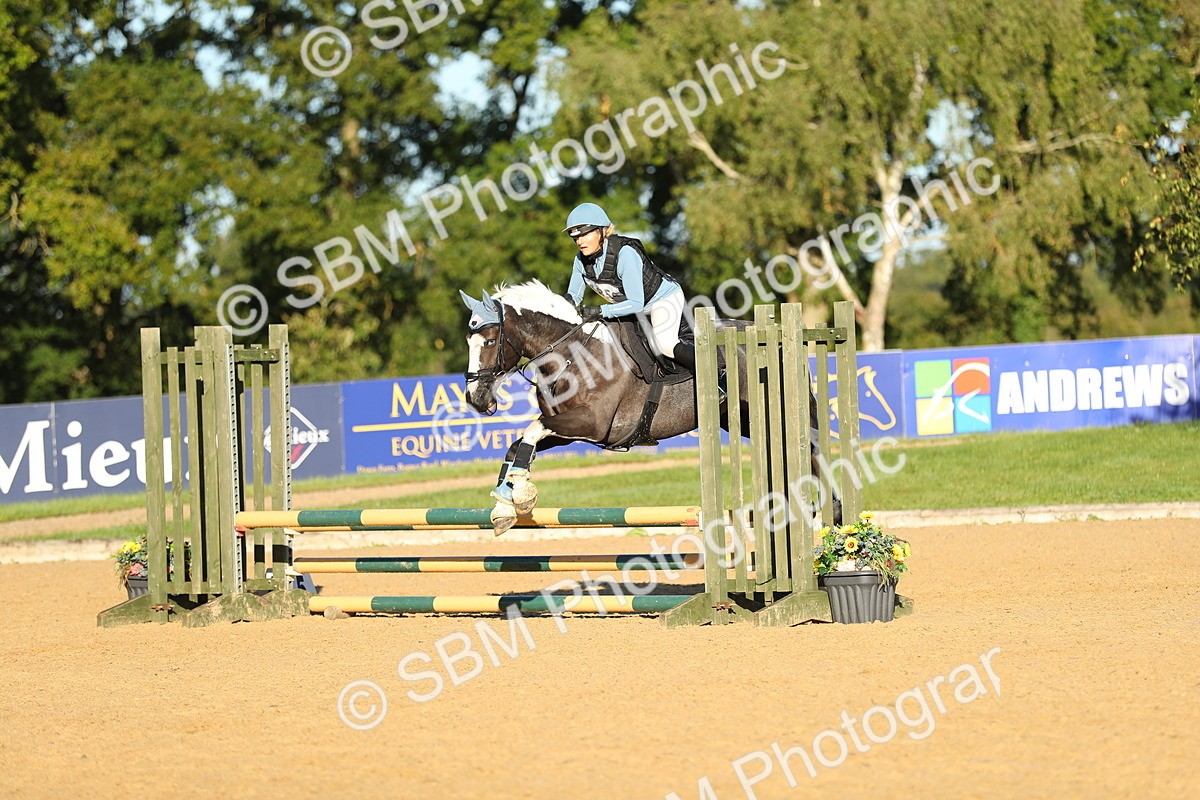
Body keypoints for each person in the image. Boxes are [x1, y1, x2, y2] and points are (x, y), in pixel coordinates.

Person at [563, 202, 703, 380]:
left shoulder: (625, 254)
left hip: (661, 300)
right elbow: (574, 296)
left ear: (601, 231)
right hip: (627, 307)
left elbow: (636, 304)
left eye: (584, 234)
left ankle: (715, 374)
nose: (580, 242)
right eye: (575, 238)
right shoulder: (580, 261)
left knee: (665, 344)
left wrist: (600, 310)